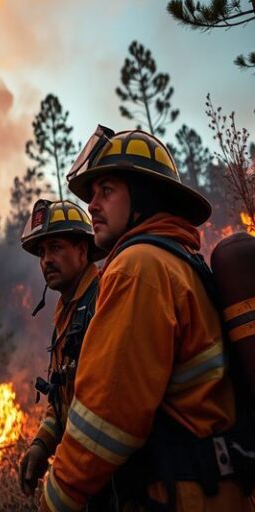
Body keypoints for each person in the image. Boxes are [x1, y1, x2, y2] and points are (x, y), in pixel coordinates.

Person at [39, 126, 253, 511]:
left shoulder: (138, 267)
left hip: (182, 495)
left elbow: (106, 417)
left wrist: (56, 498)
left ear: (143, 196)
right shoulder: (175, 261)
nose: (92, 206)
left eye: (107, 190)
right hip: (210, 490)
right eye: (91, 196)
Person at [17, 199, 103, 497]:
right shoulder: (67, 316)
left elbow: (105, 404)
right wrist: (42, 443)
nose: (46, 260)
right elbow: (61, 396)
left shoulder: (105, 300)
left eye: (56, 247)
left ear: (82, 250)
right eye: (42, 253)